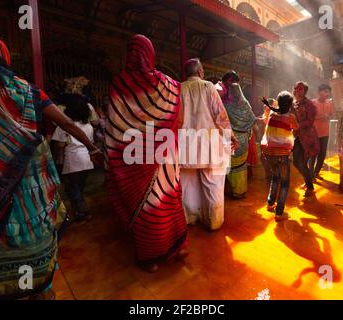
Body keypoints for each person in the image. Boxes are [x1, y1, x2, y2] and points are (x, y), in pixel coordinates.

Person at [0, 35, 102, 299]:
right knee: (37, 232)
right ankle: (40, 287)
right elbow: (68, 125)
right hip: (30, 188)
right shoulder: (27, 92)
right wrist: (92, 147)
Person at [105, 35, 188, 273]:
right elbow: (179, 121)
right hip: (166, 156)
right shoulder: (170, 85)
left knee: (147, 207)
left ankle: (152, 258)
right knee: (168, 199)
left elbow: (113, 127)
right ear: (151, 55)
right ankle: (179, 246)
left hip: (132, 160)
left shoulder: (120, 84)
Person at [179, 58, 237, 231]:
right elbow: (220, 116)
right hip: (209, 145)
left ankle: (189, 218)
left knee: (187, 184)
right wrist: (230, 136)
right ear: (200, 71)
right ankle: (213, 221)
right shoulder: (208, 87)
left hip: (185, 145)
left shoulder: (178, 89)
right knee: (213, 184)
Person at [52, 94, 95, 222]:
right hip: (87, 162)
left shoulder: (64, 126)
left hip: (72, 162)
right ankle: (80, 211)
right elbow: (90, 143)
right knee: (78, 188)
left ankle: (82, 212)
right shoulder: (89, 127)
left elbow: (59, 145)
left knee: (73, 189)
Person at [261, 92, 298, 222]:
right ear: (290, 105)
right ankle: (279, 212)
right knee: (285, 183)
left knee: (275, 177)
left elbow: (267, 122)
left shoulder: (272, 115)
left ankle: (270, 203)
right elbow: (296, 127)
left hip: (268, 152)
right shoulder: (291, 116)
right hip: (282, 154)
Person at [221, 71, 256, 198]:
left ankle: (230, 191)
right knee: (240, 167)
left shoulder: (223, 104)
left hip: (230, 139)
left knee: (229, 166)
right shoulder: (245, 104)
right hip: (243, 139)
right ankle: (239, 191)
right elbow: (252, 120)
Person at [292, 81, 320, 197]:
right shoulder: (294, 103)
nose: (297, 91)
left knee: (301, 162)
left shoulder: (309, 105)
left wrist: (298, 125)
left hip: (308, 138)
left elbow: (310, 121)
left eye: (300, 89)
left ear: (305, 92)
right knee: (297, 162)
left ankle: (310, 186)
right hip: (297, 136)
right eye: (296, 89)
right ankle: (308, 181)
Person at [310, 84, 334, 179]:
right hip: (314, 132)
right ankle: (310, 174)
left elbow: (331, 114)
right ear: (319, 92)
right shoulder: (312, 103)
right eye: (325, 91)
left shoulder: (330, 103)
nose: (327, 94)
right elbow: (309, 117)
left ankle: (316, 173)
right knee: (313, 154)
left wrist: (328, 117)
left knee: (323, 153)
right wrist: (321, 117)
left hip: (325, 132)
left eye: (328, 92)